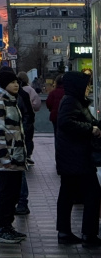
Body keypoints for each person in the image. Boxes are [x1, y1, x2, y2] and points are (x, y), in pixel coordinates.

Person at [54, 71, 101, 248]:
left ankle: (65, 232)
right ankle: (88, 234)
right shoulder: (70, 101)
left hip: (72, 157)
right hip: (75, 158)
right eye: (87, 85)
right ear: (78, 86)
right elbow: (66, 122)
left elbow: (89, 121)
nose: (88, 88)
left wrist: (95, 125)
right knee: (93, 193)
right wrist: (91, 129)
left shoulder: (76, 101)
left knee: (67, 194)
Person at [0, 67, 28, 244]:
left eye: (16, 82)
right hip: (8, 159)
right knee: (6, 195)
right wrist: (4, 157)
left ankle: (8, 226)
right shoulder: (0, 101)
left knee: (13, 195)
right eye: (12, 82)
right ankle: (1, 229)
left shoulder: (12, 101)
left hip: (16, 156)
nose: (16, 85)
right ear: (5, 84)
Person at [17, 72, 41, 164]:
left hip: (19, 118)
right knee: (28, 138)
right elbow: (37, 104)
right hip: (28, 117)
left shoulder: (16, 90)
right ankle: (28, 155)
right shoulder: (30, 90)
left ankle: (20, 155)